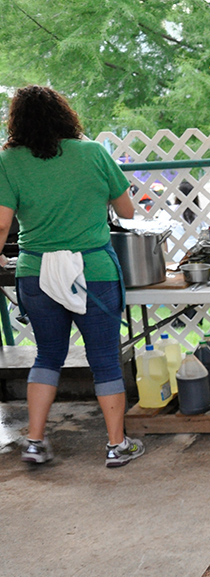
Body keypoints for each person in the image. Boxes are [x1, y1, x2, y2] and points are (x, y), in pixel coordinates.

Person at [0, 85, 146, 467]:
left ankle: (34, 442)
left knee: (47, 356)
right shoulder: (94, 152)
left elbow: (2, 224)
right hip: (93, 270)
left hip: (36, 271)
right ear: (66, 115)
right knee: (104, 359)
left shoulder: (7, 161)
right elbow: (127, 212)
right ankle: (117, 446)